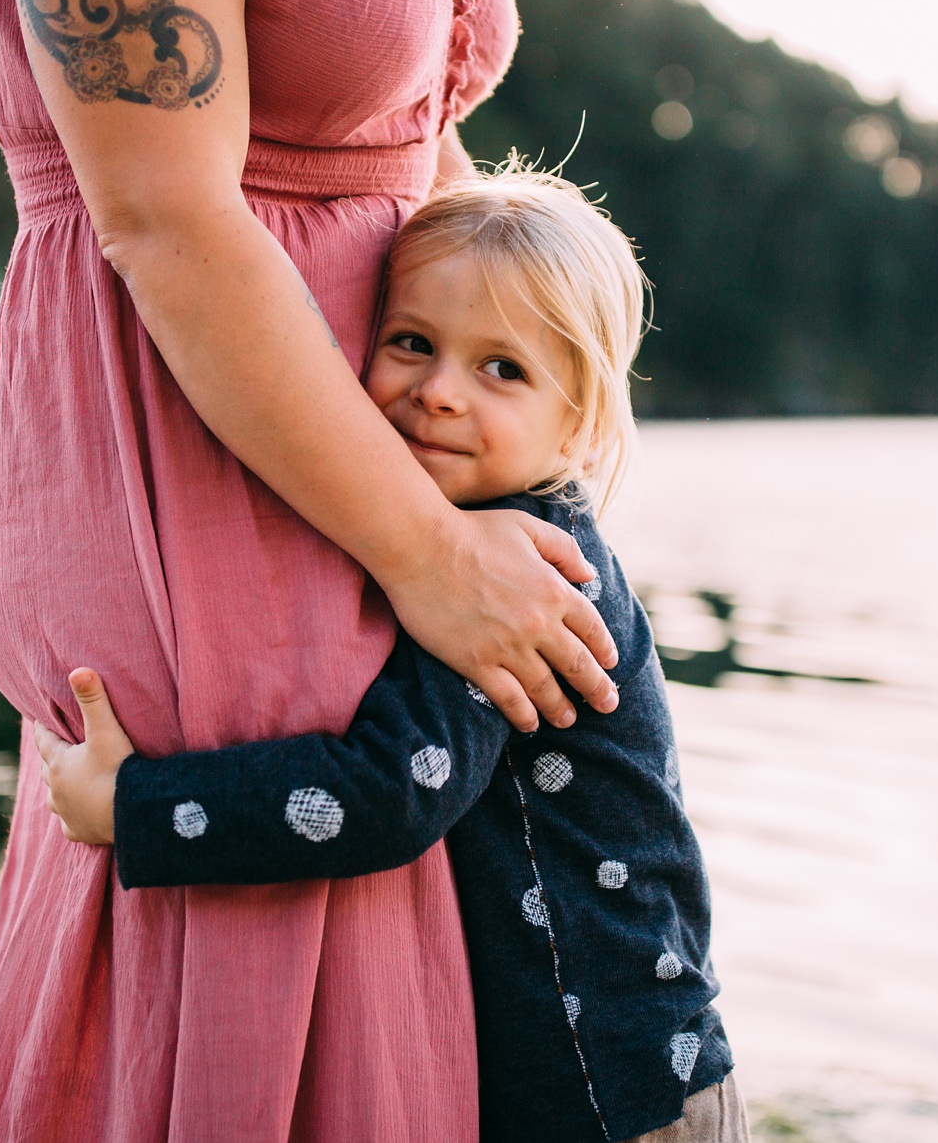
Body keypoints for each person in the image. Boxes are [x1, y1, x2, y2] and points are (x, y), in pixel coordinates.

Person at [0, 0, 621, 1138]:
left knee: (376, 976)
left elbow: (409, 160)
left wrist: (530, 428)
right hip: (208, 489)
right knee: (244, 975)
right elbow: (163, 218)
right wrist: (433, 554)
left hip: (372, 480)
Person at [38, 171, 751, 1143]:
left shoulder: (520, 574)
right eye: (412, 342)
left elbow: (387, 793)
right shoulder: (480, 535)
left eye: (502, 369)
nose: (438, 393)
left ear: (577, 422)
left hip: (614, 1097)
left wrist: (136, 807)